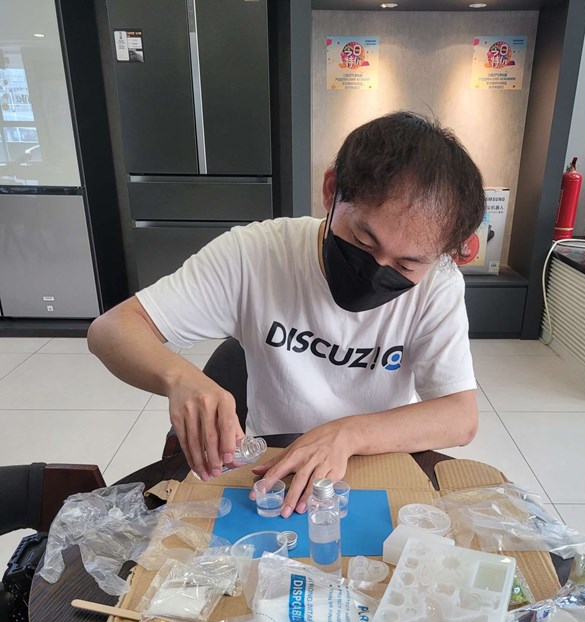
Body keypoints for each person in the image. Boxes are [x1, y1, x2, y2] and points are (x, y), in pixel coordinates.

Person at [88, 111, 485, 516]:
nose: (377, 269)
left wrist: (347, 435)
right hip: (275, 460)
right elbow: (111, 329)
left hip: (378, 453)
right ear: (331, 191)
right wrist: (179, 378)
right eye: (364, 241)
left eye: (406, 265)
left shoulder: (438, 284)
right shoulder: (256, 254)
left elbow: (459, 416)